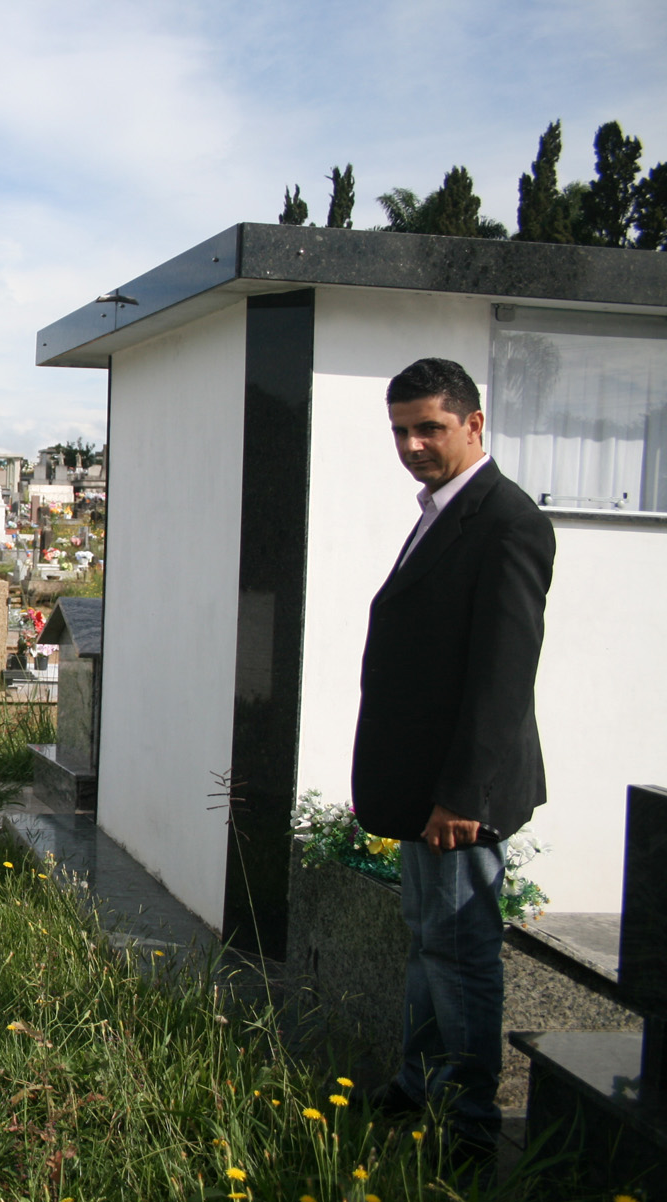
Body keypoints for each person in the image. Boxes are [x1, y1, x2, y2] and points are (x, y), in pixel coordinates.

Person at [350, 357, 555, 1165]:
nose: (411, 444)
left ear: (475, 424)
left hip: (458, 793)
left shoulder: (508, 521)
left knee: (462, 950)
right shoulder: (443, 509)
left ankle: (471, 1127)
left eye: (429, 427)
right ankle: (415, 1082)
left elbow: (504, 674)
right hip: (423, 786)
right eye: (400, 429)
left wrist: (462, 794)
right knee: (428, 940)